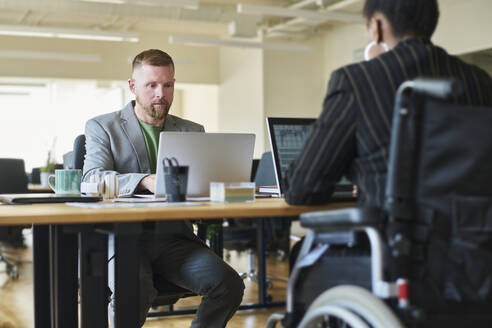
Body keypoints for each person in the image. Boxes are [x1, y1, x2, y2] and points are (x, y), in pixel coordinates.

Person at [83, 49, 244, 327]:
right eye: (152, 85)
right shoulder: (103, 126)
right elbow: (92, 179)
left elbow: (200, 186)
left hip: (174, 239)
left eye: (167, 85)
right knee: (135, 289)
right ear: (133, 86)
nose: (161, 93)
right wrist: (144, 181)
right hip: (124, 239)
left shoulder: (192, 131)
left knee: (228, 285)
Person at [283, 0, 492, 207]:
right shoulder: (480, 81)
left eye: (366, 30)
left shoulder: (357, 81)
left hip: (393, 236)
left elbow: (303, 189)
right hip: (475, 236)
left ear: (377, 26)